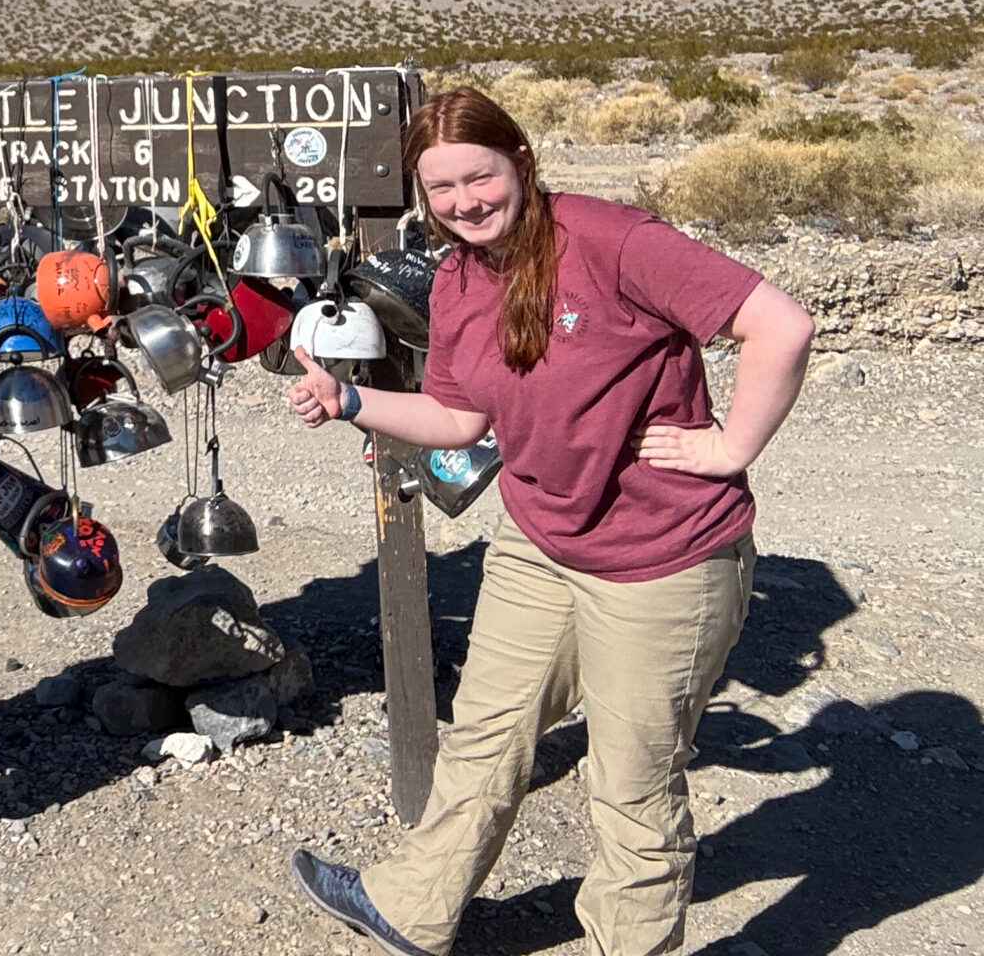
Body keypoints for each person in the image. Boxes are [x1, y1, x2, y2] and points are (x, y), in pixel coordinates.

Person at [286, 86, 814, 956]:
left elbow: (779, 326)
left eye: (479, 178)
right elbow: (458, 422)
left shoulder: (611, 241)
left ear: (520, 162)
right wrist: (348, 400)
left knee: (632, 785)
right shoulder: (457, 279)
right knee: (486, 736)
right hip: (540, 543)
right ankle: (411, 907)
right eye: (442, 190)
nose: (464, 203)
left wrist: (730, 447)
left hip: (663, 560)